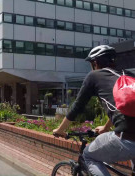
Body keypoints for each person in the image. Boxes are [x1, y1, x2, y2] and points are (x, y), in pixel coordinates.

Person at [52, 45, 135, 176]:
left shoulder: (94, 76)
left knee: (88, 156)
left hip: (127, 139)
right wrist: (106, 127)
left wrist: (60, 130)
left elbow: (77, 107)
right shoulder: (129, 75)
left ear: (95, 63)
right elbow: (123, 107)